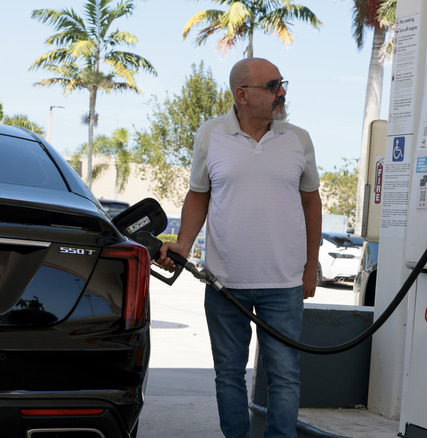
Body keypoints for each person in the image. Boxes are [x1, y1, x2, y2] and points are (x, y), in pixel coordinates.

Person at [158, 57, 322, 438]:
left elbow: (311, 202)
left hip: (283, 285)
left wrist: (311, 266)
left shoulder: (297, 139)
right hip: (223, 282)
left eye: (282, 84)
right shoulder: (210, 135)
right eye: (273, 86)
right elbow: (198, 196)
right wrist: (182, 244)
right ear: (242, 95)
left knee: (284, 375)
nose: (281, 92)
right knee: (228, 374)